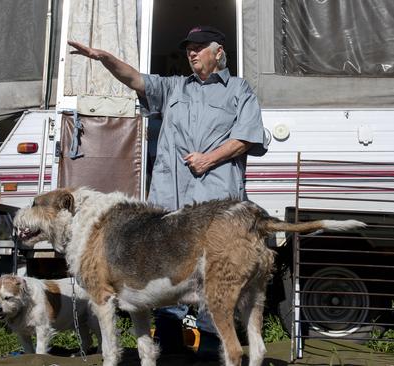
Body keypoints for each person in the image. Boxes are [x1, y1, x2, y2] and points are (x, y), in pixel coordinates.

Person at [68, 25, 268, 357]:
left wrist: (208, 159)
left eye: (200, 47)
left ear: (219, 52)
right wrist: (104, 59)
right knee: (163, 271)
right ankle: (172, 348)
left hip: (213, 206)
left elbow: (247, 137)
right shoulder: (175, 87)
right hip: (170, 205)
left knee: (210, 279)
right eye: (189, 47)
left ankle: (210, 348)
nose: (191, 52)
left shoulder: (238, 90)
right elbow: (135, 79)